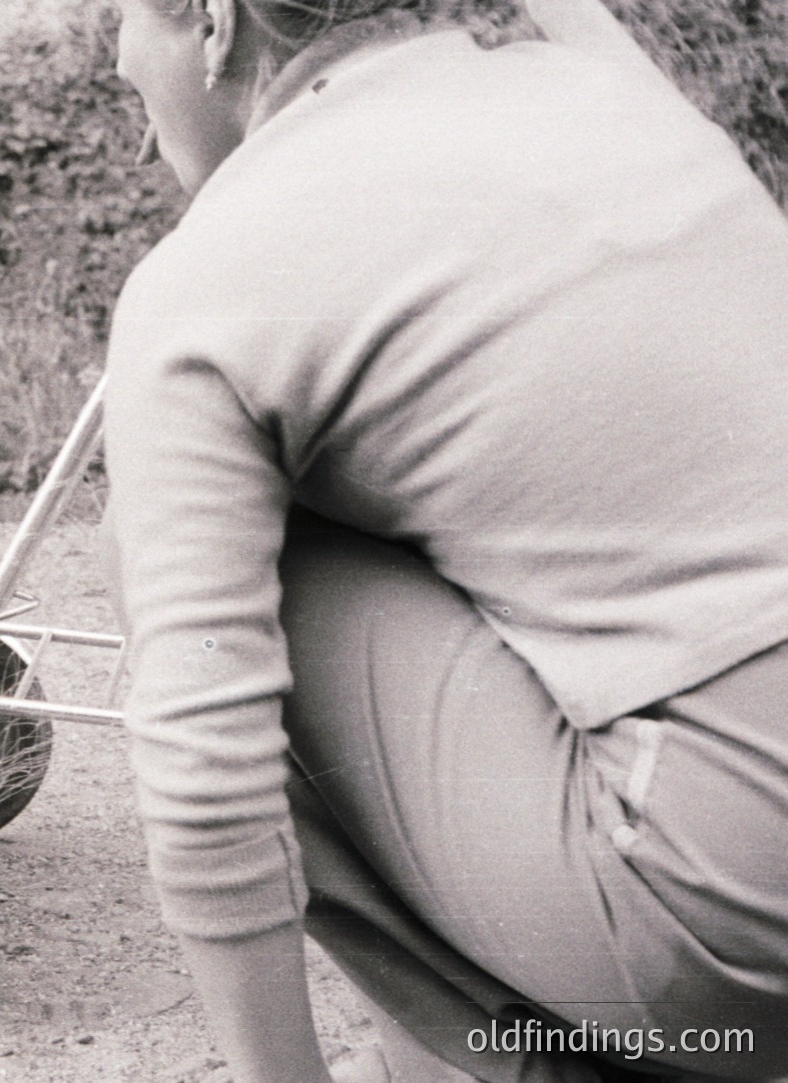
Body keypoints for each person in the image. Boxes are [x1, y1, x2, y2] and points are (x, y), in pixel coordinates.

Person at [101, 0, 788, 1080]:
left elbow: (205, 768)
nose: (130, 96)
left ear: (212, 22)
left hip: (744, 926)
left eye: (121, 23)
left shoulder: (211, 275)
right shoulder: (616, 97)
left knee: (188, 571)